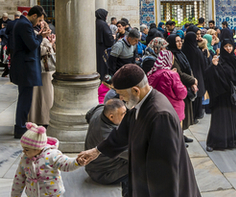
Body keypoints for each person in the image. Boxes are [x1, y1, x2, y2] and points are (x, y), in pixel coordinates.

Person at [78, 64, 201, 196]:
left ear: (136, 90)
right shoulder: (139, 104)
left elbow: (165, 171)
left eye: (121, 94)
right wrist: (97, 151)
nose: (120, 99)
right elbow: (121, 134)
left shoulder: (160, 116)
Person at [10, 5, 50, 138]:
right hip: (25, 68)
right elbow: (32, 45)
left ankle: (21, 126)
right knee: (25, 99)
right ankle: (20, 128)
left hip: (25, 66)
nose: (39, 23)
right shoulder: (24, 25)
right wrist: (41, 37)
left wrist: (39, 36)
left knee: (25, 98)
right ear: (34, 16)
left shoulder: (24, 24)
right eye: (39, 20)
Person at [12, 122, 82, 197]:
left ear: (38, 148)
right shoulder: (25, 159)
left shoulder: (52, 155)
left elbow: (66, 164)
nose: (23, 152)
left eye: (26, 149)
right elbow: (18, 179)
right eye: (23, 148)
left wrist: (77, 162)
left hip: (52, 194)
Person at [204, 40, 236, 151]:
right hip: (222, 96)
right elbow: (209, 75)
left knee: (234, 118)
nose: (228, 49)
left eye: (230, 46)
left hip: (234, 96)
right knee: (221, 119)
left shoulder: (235, 60)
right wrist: (213, 67)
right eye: (226, 46)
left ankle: (234, 140)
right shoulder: (218, 61)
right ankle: (216, 142)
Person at [84, 99, 129, 195]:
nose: (126, 116)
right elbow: (136, 155)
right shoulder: (108, 137)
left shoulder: (100, 111)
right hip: (103, 173)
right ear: (111, 116)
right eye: (123, 114)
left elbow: (88, 114)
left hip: (92, 165)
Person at [146, 51, 189, 132]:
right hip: (174, 110)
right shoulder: (172, 75)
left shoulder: (151, 74)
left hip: (157, 109)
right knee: (176, 134)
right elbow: (182, 94)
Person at [165, 34, 198, 133]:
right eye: (177, 41)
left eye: (180, 41)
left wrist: (192, 81)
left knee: (185, 112)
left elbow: (188, 68)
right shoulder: (171, 56)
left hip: (185, 86)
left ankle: (182, 134)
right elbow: (179, 73)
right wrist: (192, 80)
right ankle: (179, 135)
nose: (180, 43)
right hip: (178, 88)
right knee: (180, 114)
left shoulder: (180, 53)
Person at [28, 32, 56, 126]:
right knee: (42, 96)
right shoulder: (36, 35)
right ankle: (41, 119)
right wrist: (50, 44)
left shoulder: (44, 37)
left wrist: (51, 43)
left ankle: (44, 118)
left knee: (45, 96)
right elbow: (38, 51)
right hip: (42, 70)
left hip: (46, 71)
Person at [181, 31, 209, 123]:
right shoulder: (197, 52)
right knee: (197, 97)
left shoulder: (182, 51)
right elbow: (204, 65)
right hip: (198, 76)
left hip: (186, 78)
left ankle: (189, 117)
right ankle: (196, 116)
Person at [95, 9, 116, 79]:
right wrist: (113, 38)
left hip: (97, 47)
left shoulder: (96, 23)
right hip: (102, 48)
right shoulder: (103, 24)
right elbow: (108, 35)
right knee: (102, 67)